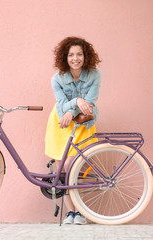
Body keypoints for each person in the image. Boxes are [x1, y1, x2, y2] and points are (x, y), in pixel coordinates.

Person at [45, 36, 101, 225]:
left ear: (86, 56)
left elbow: (90, 102)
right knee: (62, 171)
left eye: (79, 54)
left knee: (71, 165)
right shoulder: (57, 79)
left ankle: (81, 211)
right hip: (61, 122)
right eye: (71, 55)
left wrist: (72, 108)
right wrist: (76, 101)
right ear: (65, 57)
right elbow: (60, 105)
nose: (75, 58)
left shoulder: (94, 75)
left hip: (82, 122)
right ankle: (72, 213)